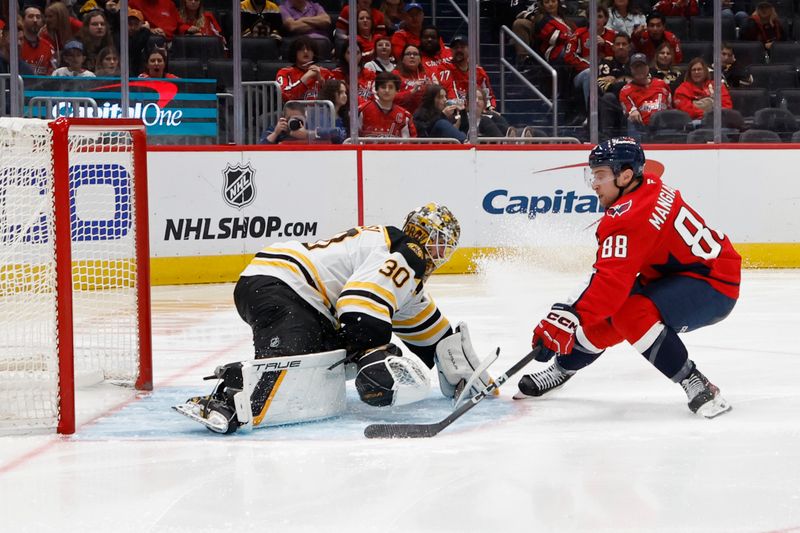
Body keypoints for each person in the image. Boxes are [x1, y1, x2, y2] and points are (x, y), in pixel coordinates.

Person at [175, 204, 494, 434]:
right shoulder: (407, 254)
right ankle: (226, 399)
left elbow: (434, 337)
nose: (443, 252)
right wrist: (371, 351)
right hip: (282, 285)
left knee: (338, 355)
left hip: (284, 288)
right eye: (442, 243)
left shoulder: (403, 273)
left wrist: (466, 376)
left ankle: (243, 387)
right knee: (351, 351)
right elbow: (359, 308)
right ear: (429, 238)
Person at [515, 138, 741, 419]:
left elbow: (608, 284)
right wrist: (573, 314)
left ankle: (694, 381)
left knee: (630, 313)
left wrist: (568, 315)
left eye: (600, 175)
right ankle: (561, 369)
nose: (594, 184)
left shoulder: (628, 217)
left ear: (624, 176)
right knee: (613, 312)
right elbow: (611, 281)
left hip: (713, 285)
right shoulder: (648, 185)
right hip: (683, 272)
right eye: (592, 175)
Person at [619, 52, 672, 141]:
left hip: (665, 128)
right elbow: (630, 113)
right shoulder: (625, 91)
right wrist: (633, 111)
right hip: (643, 130)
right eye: (636, 67)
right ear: (631, 69)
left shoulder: (661, 84)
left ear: (648, 67)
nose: (639, 69)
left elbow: (670, 105)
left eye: (642, 66)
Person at [436, 35, 496, 109]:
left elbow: (488, 95)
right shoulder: (444, 67)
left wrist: (491, 107)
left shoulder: (479, 71)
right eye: (455, 48)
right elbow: (449, 91)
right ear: (451, 50)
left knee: (497, 118)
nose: (459, 50)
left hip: (475, 110)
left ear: (469, 49)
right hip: (454, 110)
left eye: (462, 47)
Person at [358, 71, 417, 137]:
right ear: (376, 90)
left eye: (391, 87)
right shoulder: (363, 110)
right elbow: (354, 137)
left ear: (397, 91)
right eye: (383, 87)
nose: (387, 90)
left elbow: (409, 144)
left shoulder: (404, 116)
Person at [275, 36, 334, 101]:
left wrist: (321, 81)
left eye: (309, 49)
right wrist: (305, 77)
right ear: (295, 53)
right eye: (301, 49)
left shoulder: (325, 72)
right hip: (294, 110)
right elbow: (284, 96)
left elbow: (336, 97)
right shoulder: (284, 72)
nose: (305, 51)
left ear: (314, 53)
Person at [20, 4, 56, 75]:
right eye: (30, 16)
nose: (35, 20)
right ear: (23, 20)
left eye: (38, 17)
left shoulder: (49, 47)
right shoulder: (16, 45)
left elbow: (52, 75)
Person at [316, 79, 350, 143]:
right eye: (341, 92)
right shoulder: (320, 115)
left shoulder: (345, 116)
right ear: (331, 93)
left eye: (345, 92)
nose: (345, 95)